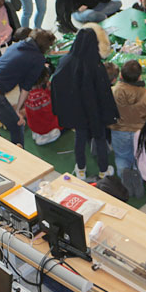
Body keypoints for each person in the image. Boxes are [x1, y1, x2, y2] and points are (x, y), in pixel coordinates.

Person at [51, 28, 119, 180]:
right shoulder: (97, 67)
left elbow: (56, 83)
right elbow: (104, 94)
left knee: (80, 139)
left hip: (76, 110)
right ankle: (103, 170)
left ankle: (80, 169)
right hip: (95, 113)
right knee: (100, 139)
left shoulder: (65, 61)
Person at [0, 28, 55, 146]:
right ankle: (19, 158)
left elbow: (21, 82)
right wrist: (17, 111)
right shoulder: (38, 58)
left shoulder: (18, 45)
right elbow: (26, 88)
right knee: (17, 125)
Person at [108, 60, 146, 177]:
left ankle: (124, 177)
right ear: (139, 77)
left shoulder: (112, 92)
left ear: (121, 75)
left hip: (119, 130)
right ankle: (138, 177)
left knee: (121, 157)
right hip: (140, 132)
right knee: (140, 157)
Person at [24, 66, 62, 146]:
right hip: (44, 126)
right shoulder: (41, 96)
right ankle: (44, 137)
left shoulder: (27, 91)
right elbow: (51, 113)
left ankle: (39, 134)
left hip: (34, 124)